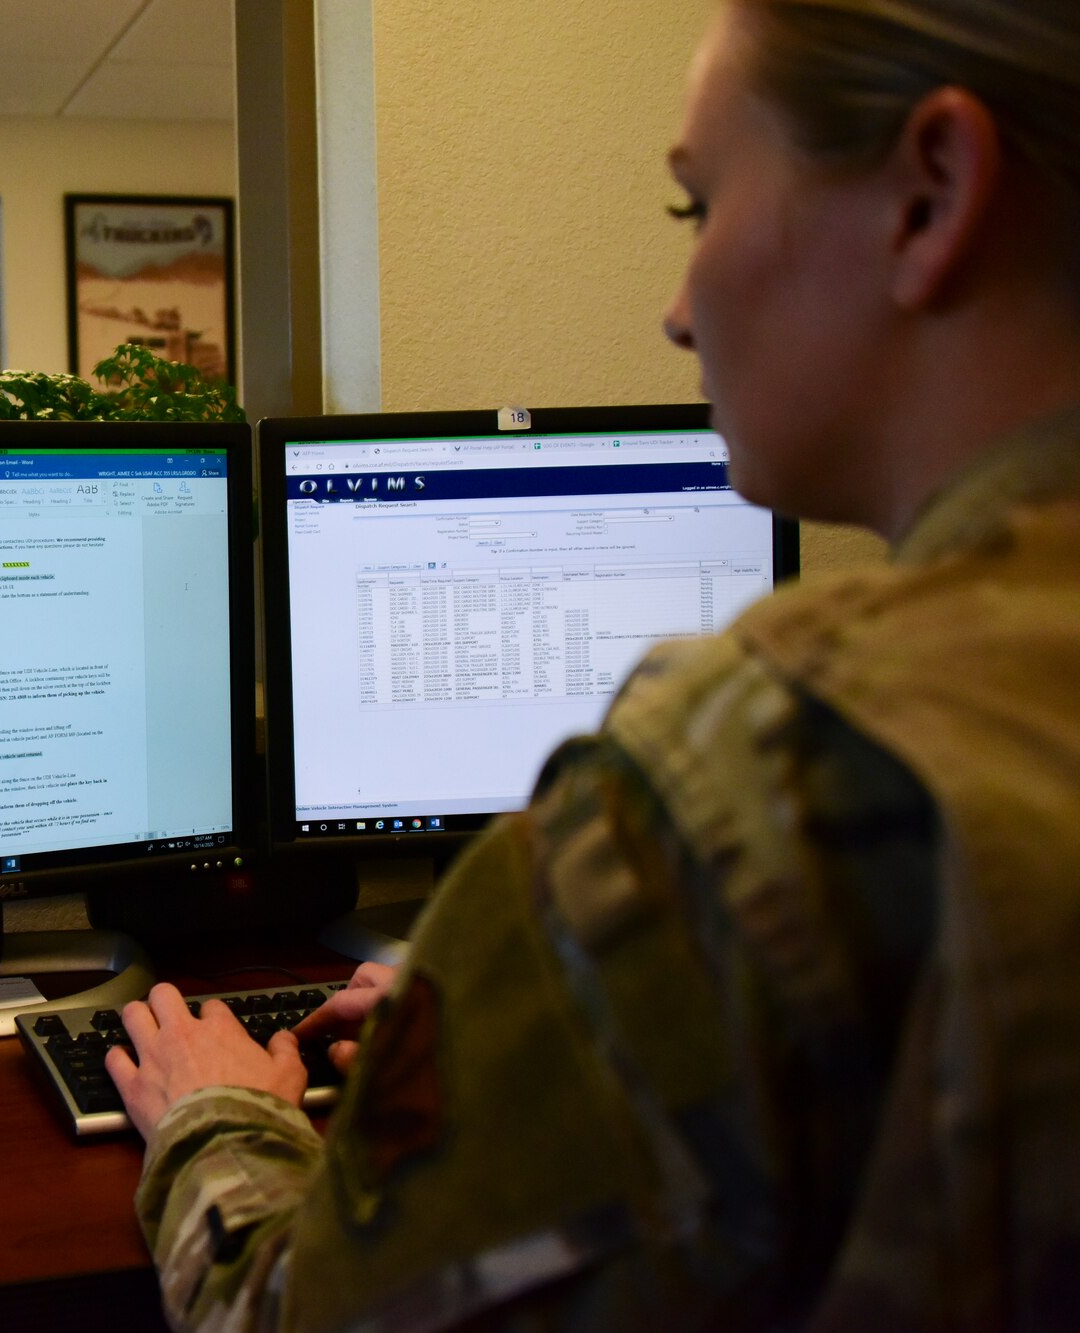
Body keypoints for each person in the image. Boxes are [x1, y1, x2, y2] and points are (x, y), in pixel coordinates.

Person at [107, 0, 1080, 1328]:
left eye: (697, 207)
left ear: (932, 195)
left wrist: (218, 1116)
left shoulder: (735, 779)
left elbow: (299, 1316)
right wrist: (559, 999)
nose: (678, 314)